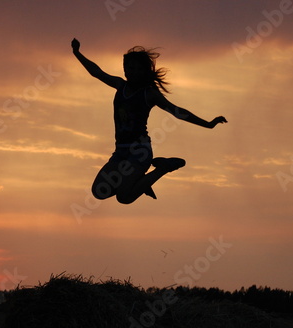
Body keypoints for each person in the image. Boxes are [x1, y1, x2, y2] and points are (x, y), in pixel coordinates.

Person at [71, 38, 227, 204]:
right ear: (124, 69)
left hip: (140, 152)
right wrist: (77, 53)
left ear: (145, 71)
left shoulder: (149, 94)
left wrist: (208, 124)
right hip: (120, 152)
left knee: (124, 197)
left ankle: (163, 167)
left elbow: (177, 111)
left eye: (139, 69)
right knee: (99, 192)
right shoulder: (120, 85)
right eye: (130, 68)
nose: (134, 72)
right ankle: (139, 183)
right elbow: (96, 72)